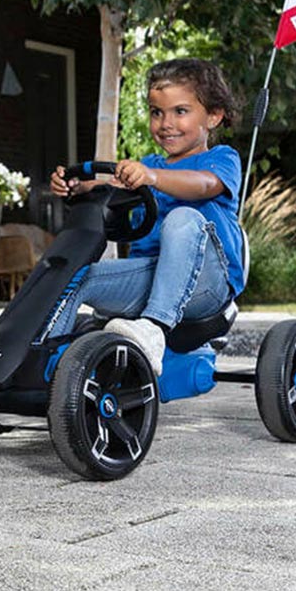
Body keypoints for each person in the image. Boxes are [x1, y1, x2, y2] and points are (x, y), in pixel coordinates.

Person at [45, 57, 245, 374]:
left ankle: (153, 328)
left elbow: (205, 185)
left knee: (183, 217)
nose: (165, 123)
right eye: (157, 112)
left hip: (206, 287)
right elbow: (111, 186)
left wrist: (151, 177)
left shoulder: (221, 159)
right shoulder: (150, 165)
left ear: (214, 116)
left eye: (180, 111)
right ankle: (40, 360)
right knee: (75, 277)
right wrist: (80, 188)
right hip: (150, 277)